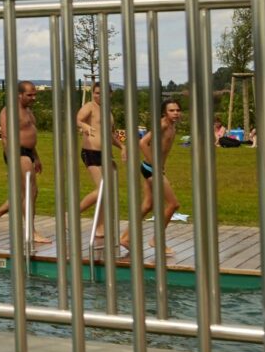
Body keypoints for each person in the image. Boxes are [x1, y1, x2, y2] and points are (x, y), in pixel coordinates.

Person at [0, 80, 44, 245]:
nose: (33, 98)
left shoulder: (29, 111)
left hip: (29, 153)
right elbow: (6, 136)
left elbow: (30, 134)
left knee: (23, 195)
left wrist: (36, 157)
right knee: (31, 191)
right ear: (19, 95)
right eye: (30, 95)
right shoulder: (9, 110)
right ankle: (30, 232)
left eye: (35, 94)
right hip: (17, 153)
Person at [124, 101, 184, 263]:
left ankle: (125, 237)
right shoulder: (163, 125)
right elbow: (142, 143)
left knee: (147, 205)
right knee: (173, 204)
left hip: (151, 167)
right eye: (171, 110)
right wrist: (156, 165)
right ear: (164, 112)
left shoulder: (172, 126)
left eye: (178, 110)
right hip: (151, 168)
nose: (175, 113)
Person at [74, 82, 110, 245]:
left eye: (102, 93)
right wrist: (85, 126)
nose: (98, 96)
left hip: (103, 154)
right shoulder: (90, 106)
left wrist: (122, 146)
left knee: (105, 191)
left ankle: (100, 227)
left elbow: (111, 134)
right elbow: (78, 119)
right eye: (96, 93)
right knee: (102, 188)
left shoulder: (108, 112)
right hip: (90, 152)